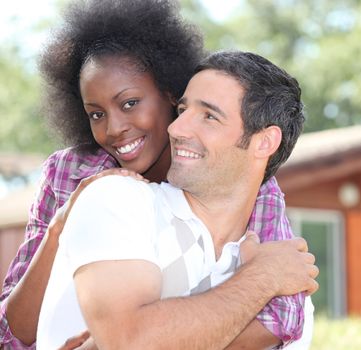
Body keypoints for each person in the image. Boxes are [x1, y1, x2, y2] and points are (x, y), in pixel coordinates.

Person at [0, 1, 309, 349]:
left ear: (169, 93)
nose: (114, 128)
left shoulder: (235, 179)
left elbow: (283, 318)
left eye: (130, 103)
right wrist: (60, 228)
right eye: (96, 114)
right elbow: (13, 334)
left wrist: (111, 343)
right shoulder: (73, 173)